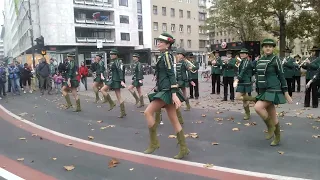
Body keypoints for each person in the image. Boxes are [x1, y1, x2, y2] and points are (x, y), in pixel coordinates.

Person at [144, 33, 189, 159]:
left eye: (161, 42)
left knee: (147, 113)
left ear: (168, 44)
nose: (158, 43)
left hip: (167, 91)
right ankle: (184, 148)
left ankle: (154, 143)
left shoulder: (167, 56)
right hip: (164, 89)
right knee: (174, 121)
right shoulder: (164, 55)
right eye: (158, 41)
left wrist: (174, 94)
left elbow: (171, 74)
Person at [254, 38, 292, 146]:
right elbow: (255, 72)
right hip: (263, 89)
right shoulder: (260, 60)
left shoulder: (276, 59)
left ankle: (270, 127)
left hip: (273, 88)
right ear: (263, 48)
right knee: (273, 115)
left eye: (270, 46)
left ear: (273, 48)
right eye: (266, 46)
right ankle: (277, 137)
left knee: (258, 107)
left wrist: (286, 93)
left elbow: (281, 76)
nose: (268, 48)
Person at [100, 49, 126, 118]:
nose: (111, 55)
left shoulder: (117, 61)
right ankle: (123, 112)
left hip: (115, 80)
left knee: (103, 90)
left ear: (116, 55)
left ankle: (112, 103)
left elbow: (120, 71)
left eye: (112, 54)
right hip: (114, 79)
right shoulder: (115, 61)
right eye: (110, 54)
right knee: (118, 96)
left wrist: (121, 80)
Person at [233, 48, 253, 120]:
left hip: (245, 81)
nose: (241, 54)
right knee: (244, 99)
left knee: (237, 97)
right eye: (241, 53)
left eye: (243, 53)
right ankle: (247, 113)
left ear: (247, 55)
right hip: (242, 81)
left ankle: (252, 99)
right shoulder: (241, 61)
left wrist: (237, 78)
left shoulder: (246, 61)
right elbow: (237, 69)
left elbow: (243, 70)